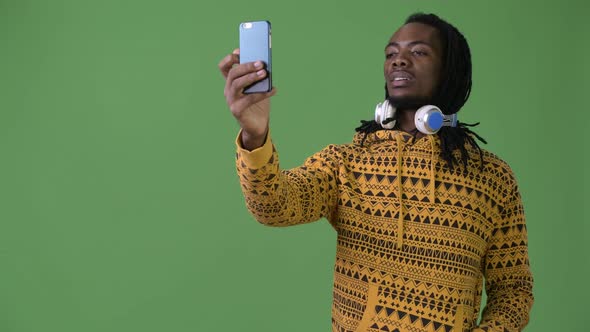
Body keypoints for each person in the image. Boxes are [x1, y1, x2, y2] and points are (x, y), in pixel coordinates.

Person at [219, 12, 533, 332]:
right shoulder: (347, 163)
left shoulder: (492, 178)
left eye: (419, 52)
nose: (399, 61)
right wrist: (254, 135)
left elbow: (513, 291)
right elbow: (272, 206)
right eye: (391, 53)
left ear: (450, 70)